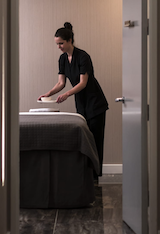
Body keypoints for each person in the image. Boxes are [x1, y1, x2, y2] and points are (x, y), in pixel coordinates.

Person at [38, 22, 109, 180]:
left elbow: (83, 83)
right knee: (84, 141)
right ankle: (85, 175)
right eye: (57, 44)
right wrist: (47, 94)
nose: (59, 47)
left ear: (70, 40)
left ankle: (95, 177)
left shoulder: (83, 57)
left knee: (96, 141)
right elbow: (61, 83)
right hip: (81, 103)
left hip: (95, 103)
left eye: (61, 43)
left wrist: (67, 95)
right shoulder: (62, 59)